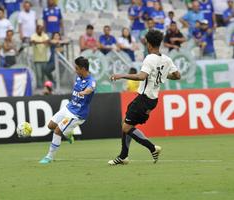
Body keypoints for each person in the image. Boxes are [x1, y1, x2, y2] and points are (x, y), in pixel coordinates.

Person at [108, 30, 181, 165]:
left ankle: (152, 148)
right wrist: (164, 75)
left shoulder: (149, 58)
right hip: (152, 100)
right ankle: (123, 156)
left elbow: (141, 76)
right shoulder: (167, 59)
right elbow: (177, 76)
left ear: (148, 44)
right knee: (127, 123)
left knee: (126, 128)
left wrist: (121, 75)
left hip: (144, 98)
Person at [39, 56, 96, 164]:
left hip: (77, 115)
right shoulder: (78, 77)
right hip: (69, 107)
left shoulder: (91, 81)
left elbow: (91, 88)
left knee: (57, 131)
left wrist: (84, 92)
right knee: (50, 125)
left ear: (83, 69)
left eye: (77, 68)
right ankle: (68, 133)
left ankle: (49, 157)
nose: (75, 70)